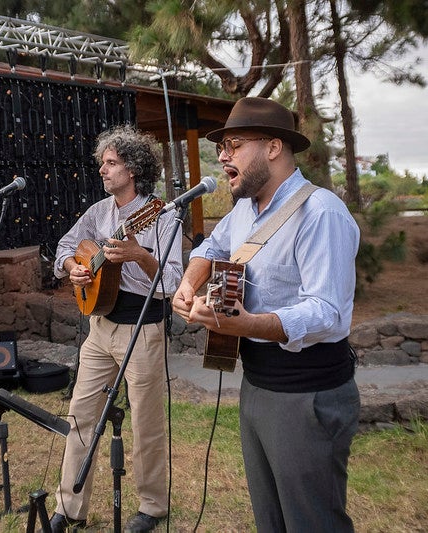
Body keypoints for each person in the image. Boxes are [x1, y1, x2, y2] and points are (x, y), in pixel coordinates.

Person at [172, 97, 360, 532]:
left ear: (273, 147)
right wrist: (189, 283)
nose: (222, 155)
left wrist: (242, 323)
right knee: (270, 520)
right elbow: (212, 248)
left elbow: (325, 311)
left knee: (312, 522)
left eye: (234, 144)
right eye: (223, 146)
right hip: (256, 384)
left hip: (307, 394)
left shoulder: (321, 213)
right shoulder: (243, 209)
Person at [51, 125, 183, 532]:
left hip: (142, 328)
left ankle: (152, 506)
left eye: (111, 163)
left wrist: (140, 256)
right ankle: (69, 507)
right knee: (80, 415)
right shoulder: (98, 212)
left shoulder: (161, 214)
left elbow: (175, 281)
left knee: (145, 422)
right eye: (102, 164)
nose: (103, 171)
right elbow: (64, 247)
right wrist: (74, 267)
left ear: (134, 169)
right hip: (99, 325)